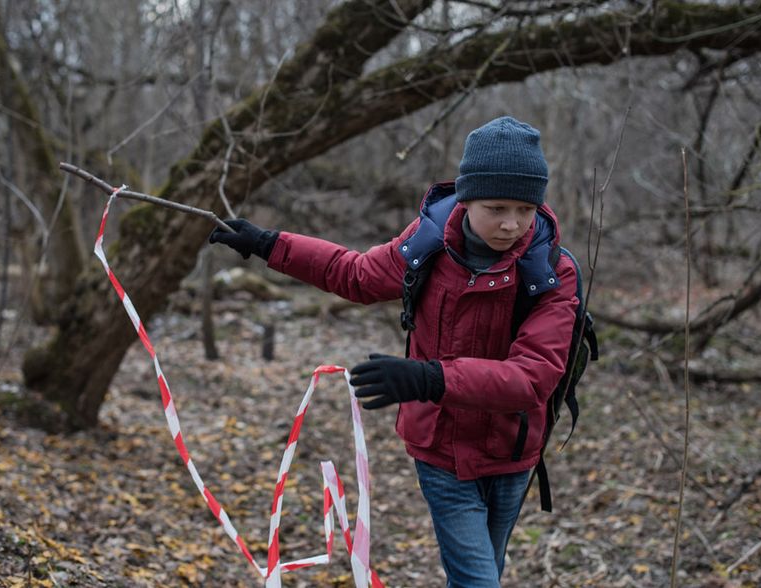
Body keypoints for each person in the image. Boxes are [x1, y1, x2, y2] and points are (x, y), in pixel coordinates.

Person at [209, 116, 579, 587]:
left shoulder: (550, 270)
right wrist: (268, 244)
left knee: (484, 571)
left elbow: (533, 377)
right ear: (466, 200)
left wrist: (428, 378)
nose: (512, 224)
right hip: (440, 451)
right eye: (497, 207)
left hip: (513, 449)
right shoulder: (427, 243)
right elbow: (357, 276)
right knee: (478, 581)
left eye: (526, 209)